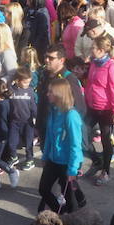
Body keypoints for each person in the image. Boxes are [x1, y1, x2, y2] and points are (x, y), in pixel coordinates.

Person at [36, 78, 86, 215]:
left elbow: (75, 145)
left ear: (59, 94)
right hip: (53, 160)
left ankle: (74, 224)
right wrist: (45, 156)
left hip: (66, 163)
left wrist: (72, 169)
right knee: (43, 189)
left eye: (50, 92)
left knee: (71, 200)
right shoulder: (53, 111)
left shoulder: (71, 116)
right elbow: (49, 138)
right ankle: (60, 212)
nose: (47, 94)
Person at [84, 36, 114, 186]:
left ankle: (105, 171)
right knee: (83, 134)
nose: (91, 50)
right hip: (92, 106)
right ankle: (96, 161)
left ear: (101, 50)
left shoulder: (111, 66)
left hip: (106, 109)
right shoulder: (94, 63)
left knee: (106, 140)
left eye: (93, 48)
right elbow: (90, 84)